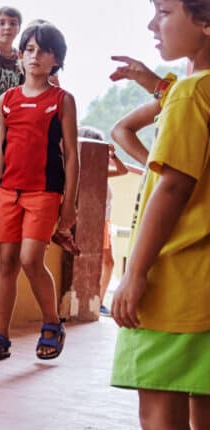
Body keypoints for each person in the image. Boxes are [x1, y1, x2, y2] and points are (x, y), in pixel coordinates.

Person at [110, 0, 210, 430]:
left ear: (205, 21)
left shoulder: (194, 96)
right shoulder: (197, 91)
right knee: (206, 420)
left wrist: (135, 272)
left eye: (164, 12)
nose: (153, 24)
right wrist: (157, 81)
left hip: (175, 281)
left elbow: (171, 189)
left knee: (161, 418)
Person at [0, 21, 78, 362]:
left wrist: (70, 204)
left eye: (44, 51)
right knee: (6, 262)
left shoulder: (62, 100)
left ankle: (52, 322)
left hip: (45, 192)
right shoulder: (8, 99)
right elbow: (2, 148)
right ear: (20, 56)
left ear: (57, 60)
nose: (35, 56)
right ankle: (0, 337)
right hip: (9, 191)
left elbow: (72, 154)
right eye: (29, 49)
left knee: (30, 259)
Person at [75, 127, 127, 317]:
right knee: (104, 261)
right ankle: (95, 301)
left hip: (104, 220)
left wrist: (113, 156)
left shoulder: (101, 171)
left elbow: (123, 170)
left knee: (108, 262)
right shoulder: (83, 172)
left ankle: (99, 300)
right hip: (96, 221)